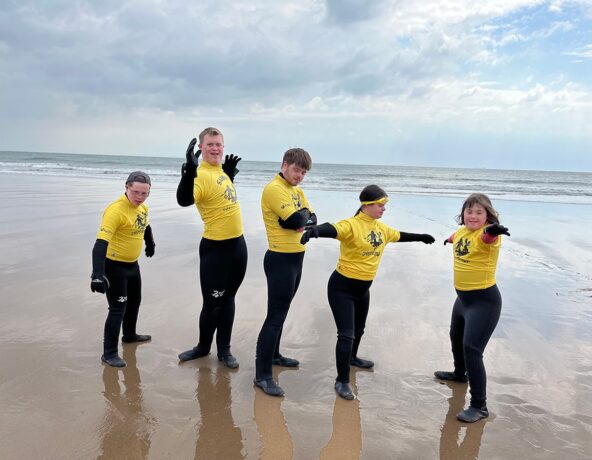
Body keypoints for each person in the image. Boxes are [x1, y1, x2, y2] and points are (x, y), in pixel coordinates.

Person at [300, 185, 435, 399]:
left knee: (359, 328)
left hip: (363, 289)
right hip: (341, 288)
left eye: (384, 205)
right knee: (346, 334)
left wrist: (421, 236)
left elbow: (400, 235)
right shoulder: (352, 225)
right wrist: (315, 232)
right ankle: (342, 380)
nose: (384, 209)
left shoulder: (381, 229)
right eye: (380, 205)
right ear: (366, 205)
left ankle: (352, 358)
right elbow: (333, 228)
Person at [434, 193, 510, 423]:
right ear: (463, 214)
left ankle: (479, 406)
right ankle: (460, 374)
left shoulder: (488, 234)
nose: (473, 216)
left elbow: (486, 238)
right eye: (469, 211)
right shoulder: (461, 232)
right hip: (463, 301)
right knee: (455, 337)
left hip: (484, 302)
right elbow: (457, 237)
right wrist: (449, 239)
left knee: (472, 349)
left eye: (479, 212)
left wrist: (492, 231)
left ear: (488, 215)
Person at [176, 127, 247, 369]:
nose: (216, 149)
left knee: (229, 299)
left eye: (219, 144)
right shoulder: (200, 174)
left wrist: (228, 175)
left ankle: (224, 350)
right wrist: (188, 172)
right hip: (216, 250)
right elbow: (184, 200)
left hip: (238, 245)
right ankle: (203, 347)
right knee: (212, 303)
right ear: (200, 148)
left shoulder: (220, 171)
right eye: (210, 145)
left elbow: (221, 199)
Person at [254, 148, 316, 397]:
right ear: (284, 165)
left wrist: (302, 219)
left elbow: (311, 219)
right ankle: (262, 375)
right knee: (275, 316)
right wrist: (299, 220)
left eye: (303, 172)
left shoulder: (296, 191)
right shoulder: (274, 189)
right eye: (296, 170)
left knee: (283, 311)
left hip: (296, 258)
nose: (300, 175)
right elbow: (294, 221)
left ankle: (275, 355)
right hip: (280, 258)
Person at [91, 171, 155, 368]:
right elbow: (100, 243)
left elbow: (145, 225)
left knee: (134, 302)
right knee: (117, 309)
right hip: (114, 267)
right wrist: (97, 274)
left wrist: (149, 242)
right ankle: (109, 353)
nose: (140, 197)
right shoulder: (115, 211)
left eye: (145, 193)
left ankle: (129, 335)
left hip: (132, 266)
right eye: (136, 192)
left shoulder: (142, 207)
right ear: (126, 187)